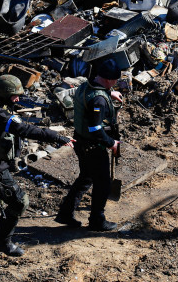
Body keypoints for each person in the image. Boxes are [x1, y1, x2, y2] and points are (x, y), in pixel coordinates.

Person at [0, 74, 74, 257]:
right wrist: (57, 137)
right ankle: (3, 242)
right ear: (3, 94)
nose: (17, 99)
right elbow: (25, 129)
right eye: (14, 96)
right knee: (19, 202)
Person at [55, 59, 122, 231]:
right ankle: (97, 220)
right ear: (107, 79)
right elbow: (95, 128)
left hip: (80, 141)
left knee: (86, 177)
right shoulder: (98, 100)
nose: (115, 83)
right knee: (102, 183)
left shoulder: (87, 85)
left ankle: (65, 213)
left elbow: (94, 95)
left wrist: (109, 93)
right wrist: (111, 143)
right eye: (114, 81)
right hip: (93, 146)